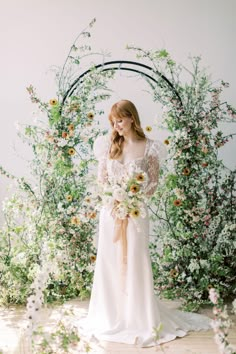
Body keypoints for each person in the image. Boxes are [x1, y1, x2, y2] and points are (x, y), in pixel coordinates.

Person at [79, 99, 210, 347]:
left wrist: (132, 198)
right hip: (111, 213)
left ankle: (138, 317)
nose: (116, 125)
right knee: (110, 263)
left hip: (136, 214)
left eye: (120, 119)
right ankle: (111, 315)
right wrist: (116, 198)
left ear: (132, 118)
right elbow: (102, 180)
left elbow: (152, 184)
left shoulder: (149, 148)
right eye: (113, 121)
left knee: (136, 262)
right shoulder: (107, 145)